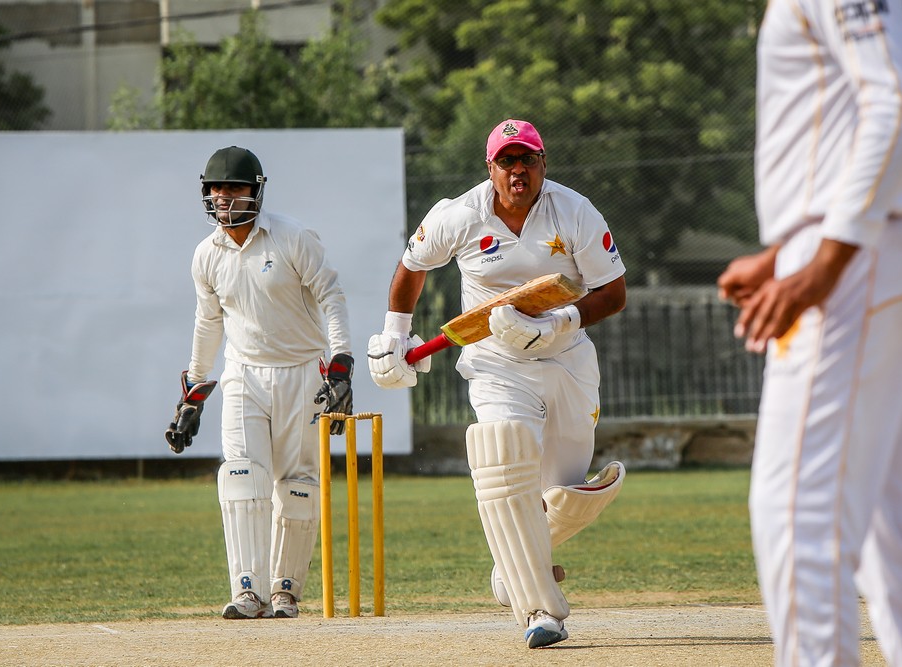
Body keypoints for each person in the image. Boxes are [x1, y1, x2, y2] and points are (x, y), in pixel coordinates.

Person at [717, 1, 902, 665]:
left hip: (859, 256)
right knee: (892, 527)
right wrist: (785, 252)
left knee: (798, 513)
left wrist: (823, 261)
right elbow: (856, 117)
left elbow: (898, 104)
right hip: (891, 240)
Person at [368, 119, 627, 649]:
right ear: (490, 168)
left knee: (565, 494)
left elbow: (613, 292)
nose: (517, 171)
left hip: (567, 359)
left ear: (543, 164)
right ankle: (540, 610)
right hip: (495, 363)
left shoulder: (575, 211)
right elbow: (412, 265)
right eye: (506, 161)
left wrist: (558, 324)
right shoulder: (460, 215)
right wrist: (395, 334)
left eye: (527, 159)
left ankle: (514, 565)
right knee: (503, 457)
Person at [165, 146, 354, 620]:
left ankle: (285, 589)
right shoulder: (206, 255)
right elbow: (208, 322)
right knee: (241, 478)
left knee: (297, 485)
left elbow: (331, 296)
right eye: (216, 188)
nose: (223, 197)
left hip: (302, 373)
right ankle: (247, 590)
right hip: (243, 375)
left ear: (256, 191)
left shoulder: (291, 237)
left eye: (234, 187)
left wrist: (341, 365)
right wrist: (194, 391)